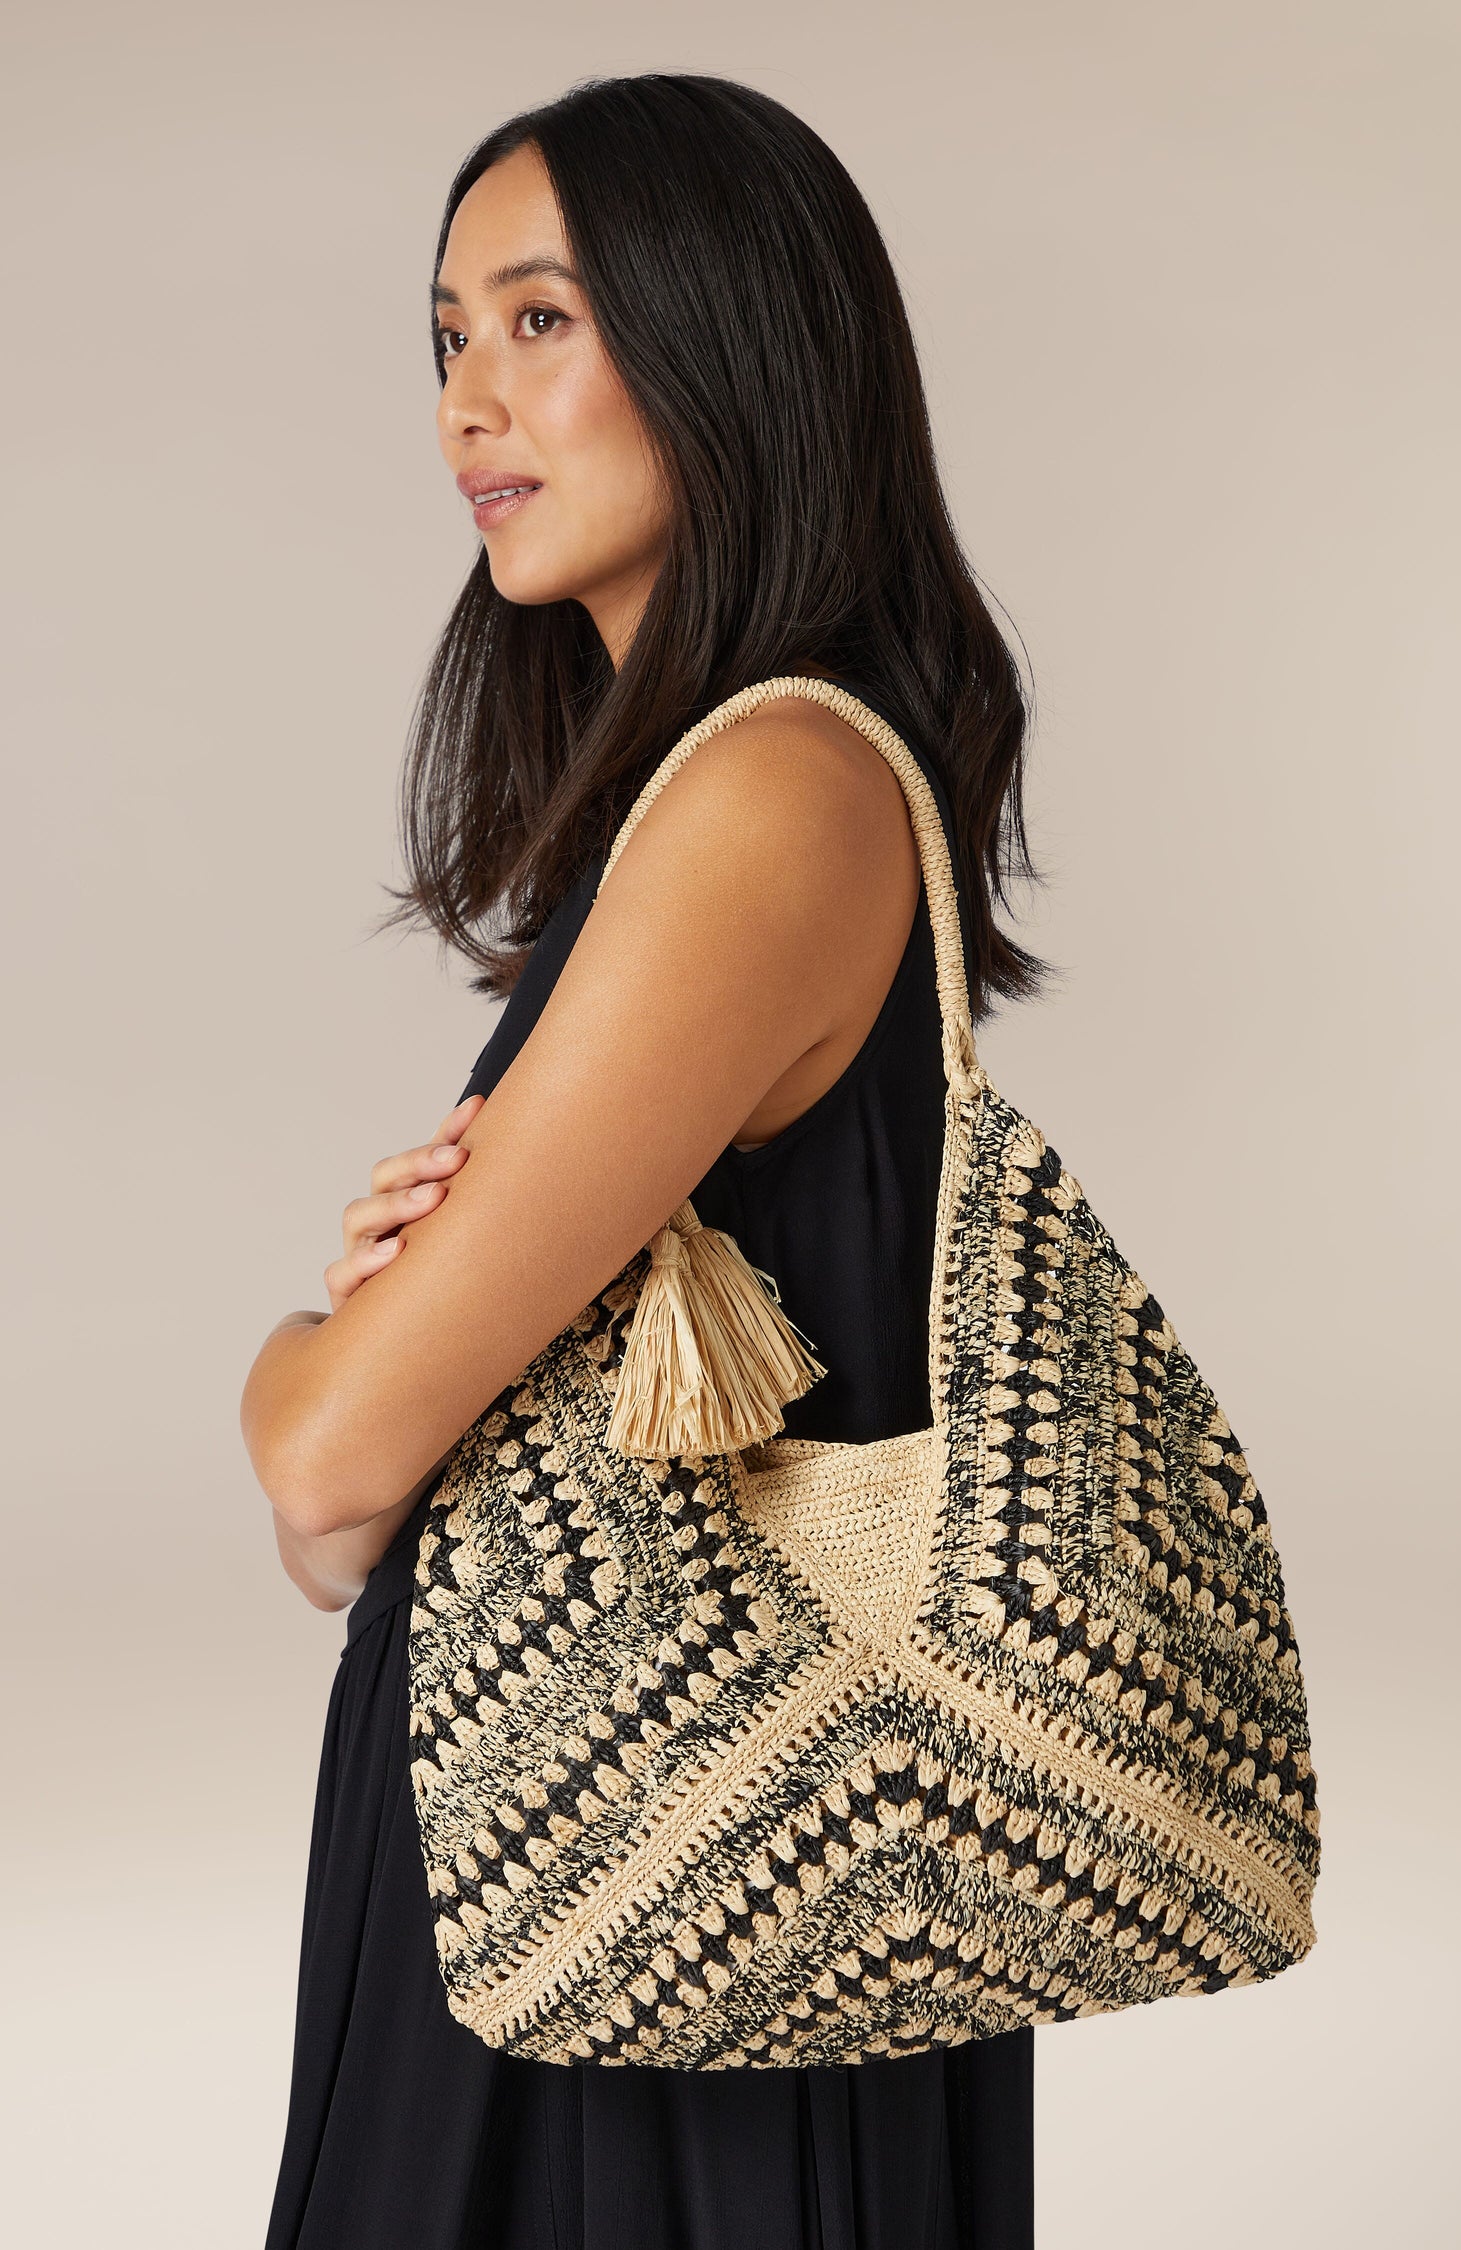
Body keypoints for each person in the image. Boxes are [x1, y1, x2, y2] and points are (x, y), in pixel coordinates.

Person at [243, 70, 1049, 2250]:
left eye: (537, 321)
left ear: (729, 341)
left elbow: (326, 1481)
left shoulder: (769, 792)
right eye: (441, 338)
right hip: (646, 1878)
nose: (467, 405)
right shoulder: (715, 791)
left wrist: (299, 1352)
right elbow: (377, 1506)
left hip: (647, 1930)